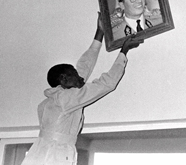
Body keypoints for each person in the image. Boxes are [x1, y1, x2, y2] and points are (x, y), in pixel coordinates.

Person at [21, 14, 143, 165]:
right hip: (54, 154)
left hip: (46, 151)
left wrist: (99, 32)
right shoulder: (66, 99)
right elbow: (107, 84)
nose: (80, 78)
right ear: (63, 79)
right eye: (74, 75)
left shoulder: (57, 98)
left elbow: (83, 68)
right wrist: (124, 51)